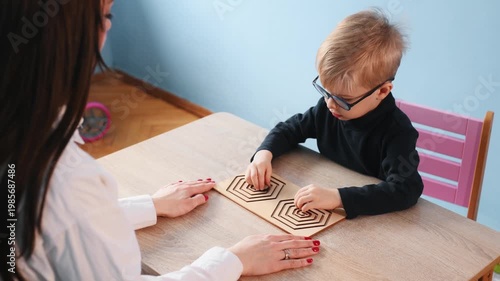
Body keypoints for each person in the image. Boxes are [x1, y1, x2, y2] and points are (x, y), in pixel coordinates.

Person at [0, 0, 320, 280]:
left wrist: (149, 205)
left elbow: (62, 230)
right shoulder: (65, 180)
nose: (108, 29)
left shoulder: (25, 144)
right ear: (66, 37)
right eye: (106, 15)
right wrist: (232, 260)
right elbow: (68, 216)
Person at [245, 9, 424, 219]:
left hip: (374, 219)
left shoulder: (398, 132)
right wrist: (263, 155)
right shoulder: (328, 109)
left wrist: (338, 198)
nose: (330, 103)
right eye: (327, 91)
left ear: (382, 92)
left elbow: (405, 190)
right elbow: (289, 130)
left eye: (344, 99)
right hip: (328, 197)